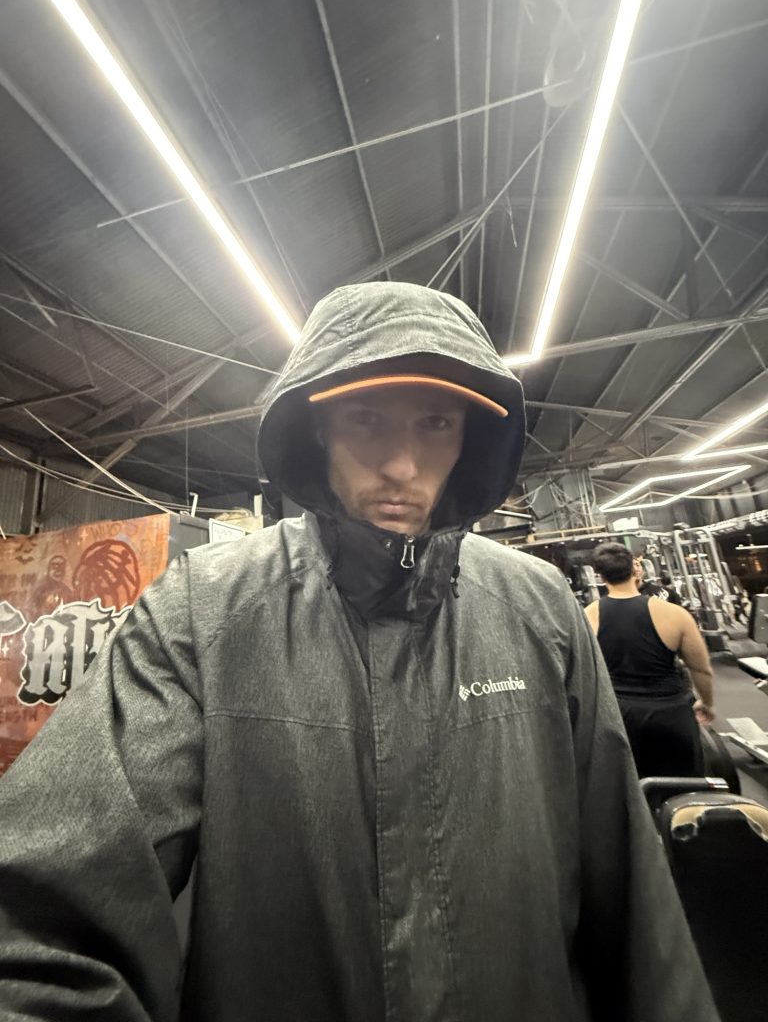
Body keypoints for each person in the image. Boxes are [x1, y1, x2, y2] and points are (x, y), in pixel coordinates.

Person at [0, 283, 719, 1021]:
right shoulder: (204, 611)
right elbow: (44, 928)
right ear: (316, 427)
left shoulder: (538, 608)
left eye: (436, 423)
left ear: (471, 438)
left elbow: (631, 899)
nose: (402, 466)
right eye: (367, 419)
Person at [586, 541, 716, 779]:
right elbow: (701, 669)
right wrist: (707, 702)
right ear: (634, 569)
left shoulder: (588, 616)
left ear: (599, 576)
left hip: (621, 717)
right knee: (686, 786)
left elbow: (586, 674)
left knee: (633, 788)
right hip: (672, 714)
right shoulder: (675, 614)